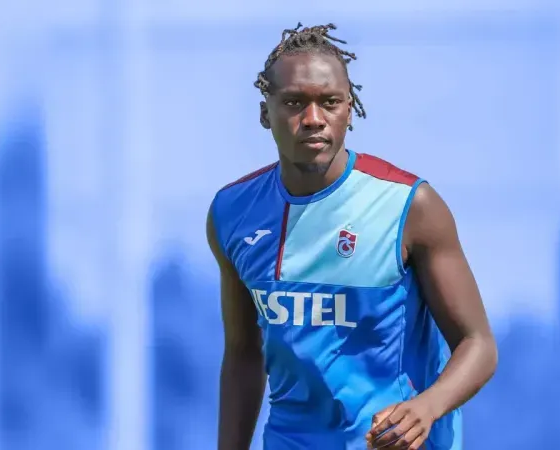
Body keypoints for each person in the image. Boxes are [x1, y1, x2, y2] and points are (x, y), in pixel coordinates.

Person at [206, 23, 497, 450]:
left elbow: (478, 345)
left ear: (349, 109)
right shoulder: (233, 212)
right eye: (294, 102)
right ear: (265, 113)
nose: (313, 119)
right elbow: (243, 353)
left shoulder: (410, 207)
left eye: (329, 102)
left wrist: (427, 407)